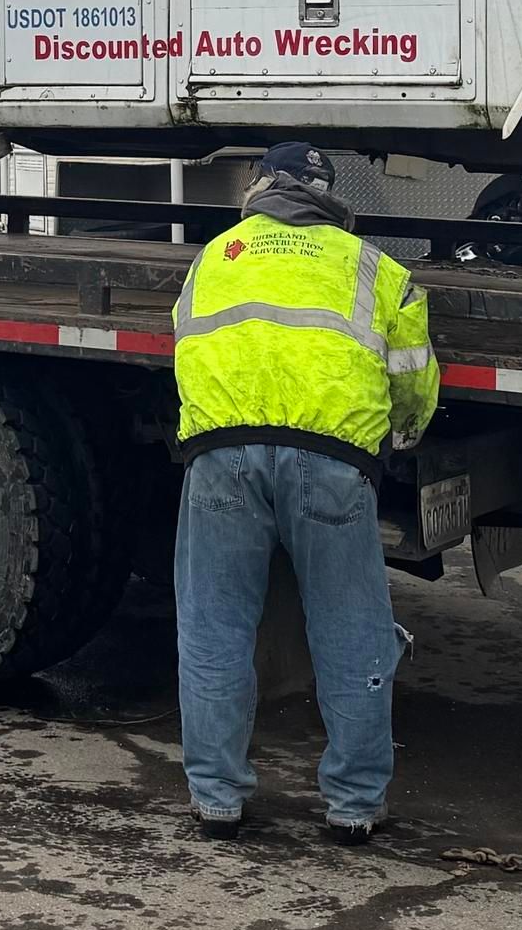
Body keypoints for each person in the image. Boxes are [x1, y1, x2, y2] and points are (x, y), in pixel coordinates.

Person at [169, 140, 438, 843]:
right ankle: (353, 806)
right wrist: (397, 439)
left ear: (260, 188)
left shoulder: (215, 256)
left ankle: (216, 799)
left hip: (220, 455)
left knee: (214, 632)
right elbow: (412, 379)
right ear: (327, 195)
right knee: (351, 637)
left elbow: (185, 345)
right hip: (332, 461)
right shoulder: (376, 269)